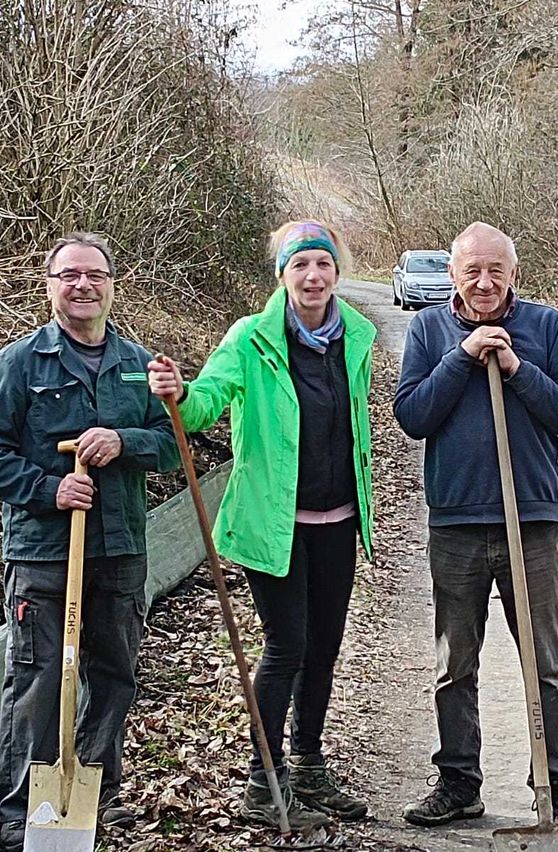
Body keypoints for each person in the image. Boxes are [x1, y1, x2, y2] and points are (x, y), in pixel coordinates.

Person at [147, 220, 375, 832]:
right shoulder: (251, 339)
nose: (313, 276)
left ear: (336, 272)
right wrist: (178, 392)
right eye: (300, 265)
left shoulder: (357, 336)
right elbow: (202, 406)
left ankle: (307, 764)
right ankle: (261, 777)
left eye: (323, 265)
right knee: (287, 645)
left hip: (337, 519)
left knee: (324, 647)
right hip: (272, 521)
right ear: (282, 275)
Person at [393, 221, 558, 827]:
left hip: (530, 520)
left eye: (495, 271)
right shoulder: (428, 329)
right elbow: (413, 416)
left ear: (513, 274)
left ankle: (554, 787)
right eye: (471, 270)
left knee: (545, 660)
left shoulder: (547, 327)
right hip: (456, 522)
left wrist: (514, 367)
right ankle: (458, 782)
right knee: (455, 663)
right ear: (453, 274)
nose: (484, 282)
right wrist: (462, 357)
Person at [0, 233, 180, 852]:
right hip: (43, 554)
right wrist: (47, 490)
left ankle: (91, 800)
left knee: (113, 673)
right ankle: (24, 808)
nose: (82, 286)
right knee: (38, 678)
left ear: (111, 284)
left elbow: (171, 441)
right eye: (69, 276)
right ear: (49, 286)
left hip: (121, 547)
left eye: (94, 275)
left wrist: (124, 441)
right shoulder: (20, 364)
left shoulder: (140, 363)